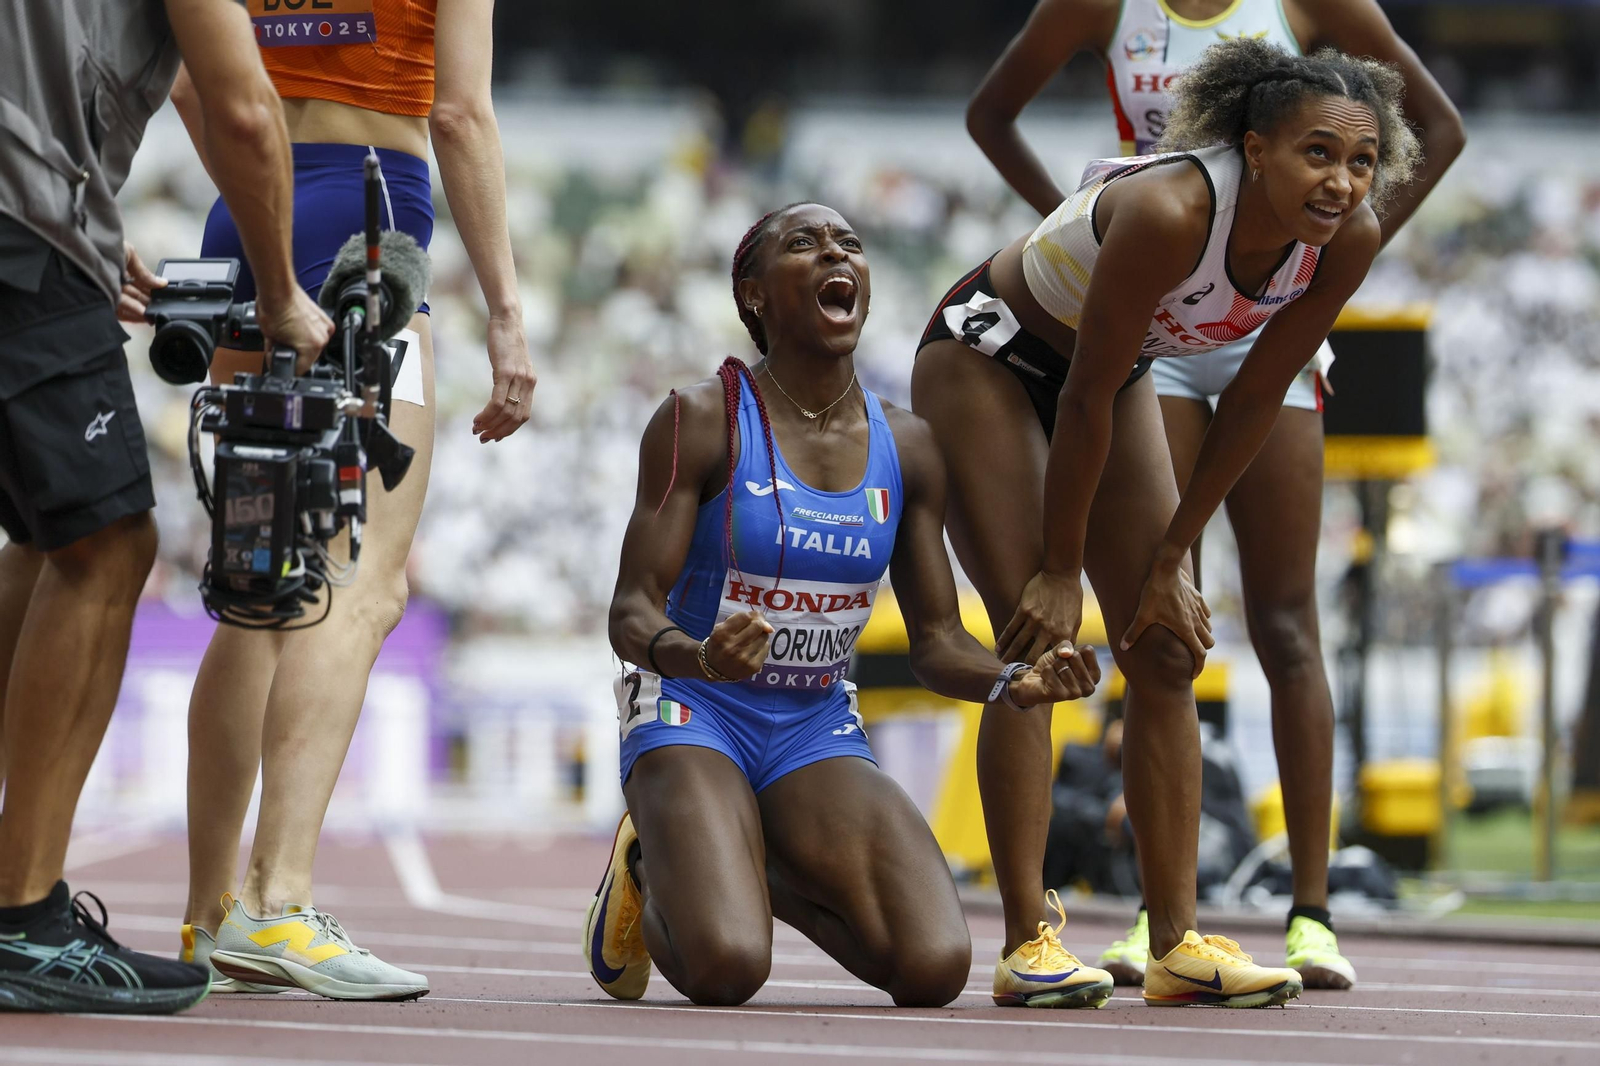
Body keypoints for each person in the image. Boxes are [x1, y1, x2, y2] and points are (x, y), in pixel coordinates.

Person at [966, 0, 1464, 989]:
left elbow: (1436, 128)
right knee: (1143, 615)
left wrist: (1326, 244)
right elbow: (993, 115)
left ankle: (1309, 914)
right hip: (1147, 298)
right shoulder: (1105, 18)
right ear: (1251, 138)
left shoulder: (1317, 14)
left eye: (1352, 164)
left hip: (1254, 302)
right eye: (1315, 155)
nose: (1341, 179)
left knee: (1280, 622)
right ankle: (1154, 908)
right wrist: (1069, 221)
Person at [587, 202, 1112, 1009]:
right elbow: (630, 612)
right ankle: (653, 863)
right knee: (727, 966)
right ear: (754, 295)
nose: (837, 253)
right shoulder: (700, 419)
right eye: (804, 244)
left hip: (811, 726)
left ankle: (735, 851)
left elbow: (936, 641)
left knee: (933, 968)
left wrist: (1013, 681)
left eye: (851, 244)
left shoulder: (907, 445)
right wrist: (699, 657)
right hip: (693, 709)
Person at [167, 0, 535, 1001]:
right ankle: (278, 901)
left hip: (253, 214)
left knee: (254, 581)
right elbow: (458, 116)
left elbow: (191, 83)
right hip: (369, 233)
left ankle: (209, 918)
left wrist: (261, 203)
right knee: (362, 580)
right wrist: (506, 313)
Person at [0, 0, 331, 1014]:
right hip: (21, 223)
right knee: (107, 545)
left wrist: (95, 234)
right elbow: (239, 106)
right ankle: (24, 920)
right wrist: (280, 293)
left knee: (40, 540)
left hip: (39, 220)